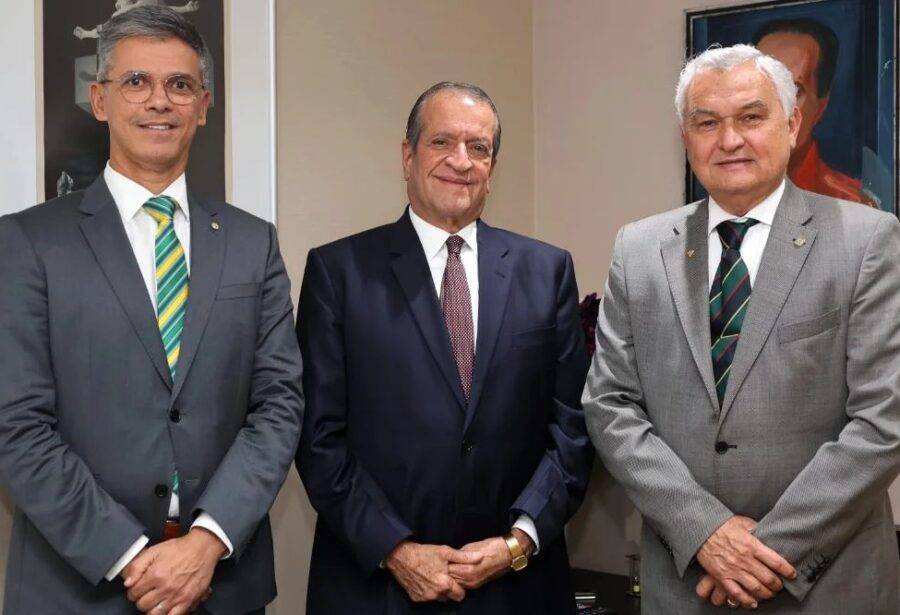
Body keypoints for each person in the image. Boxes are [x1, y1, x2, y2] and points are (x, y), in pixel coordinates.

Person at [0, 6, 303, 614]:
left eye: (180, 85)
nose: (159, 101)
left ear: (203, 105)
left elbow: (280, 403)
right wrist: (132, 557)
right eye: (136, 82)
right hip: (77, 586)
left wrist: (206, 542)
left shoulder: (253, 242)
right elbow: (18, 425)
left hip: (222, 584)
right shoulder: (28, 242)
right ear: (101, 100)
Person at [583, 44, 899, 614]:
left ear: (792, 121)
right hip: (684, 584)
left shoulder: (868, 241)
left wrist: (763, 552)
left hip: (828, 586)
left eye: (751, 117)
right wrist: (704, 532)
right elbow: (610, 407)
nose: (729, 140)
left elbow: (883, 421)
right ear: (686, 137)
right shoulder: (638, 248)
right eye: (707, 123)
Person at [296, 81, 593, 614]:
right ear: (408, 156)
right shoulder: (338, 272)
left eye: (478, 147)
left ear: (492, 166)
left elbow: (572, 428)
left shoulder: (546, 271)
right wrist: (397, 550)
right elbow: (318, 438)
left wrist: (517, 543)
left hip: (517, 588)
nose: (461, 161)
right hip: (378, 587)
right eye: (442, 143)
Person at [754, 18, 874, 206]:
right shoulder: (725, 186)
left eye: (793, 90)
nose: (770, 106)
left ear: (821, 106)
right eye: (760, 86)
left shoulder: (849, 205)